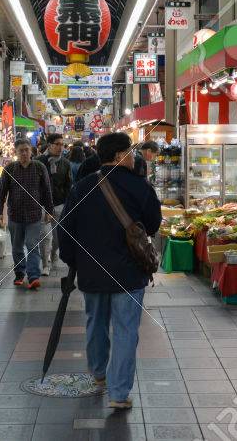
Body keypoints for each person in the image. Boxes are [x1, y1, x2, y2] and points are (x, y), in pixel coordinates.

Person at [59, 132, 162, 409]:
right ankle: (119, 393)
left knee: (96, 322)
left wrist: (73, 261)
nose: (133, 156)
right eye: (130, 151)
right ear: (118, 156)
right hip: (129, 273)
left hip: (91, 272)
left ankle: (98, 374)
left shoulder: (82, 187)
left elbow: (65, 230)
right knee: (126, 330)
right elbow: (153, 224)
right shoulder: (140, 186)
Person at [0, 139, 53, 289]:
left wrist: (49, 210)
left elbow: (47, 190)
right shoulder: (10, 169)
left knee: (32, 244)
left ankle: (33, 276)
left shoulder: (39, 167)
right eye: (21, 150)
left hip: (34, 215)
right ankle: (20, 273)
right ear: (16, 152)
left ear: (31, 151)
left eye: (27, 150)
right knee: (16, 247)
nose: (24, 153)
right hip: (15, 215)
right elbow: (1, 192)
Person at [41, 137, 73, 276]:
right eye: (57, 144)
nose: (61, 147)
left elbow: (69, 184)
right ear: (49, 145)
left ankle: (54, 252)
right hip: (42, 204)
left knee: (57, 237)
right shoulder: (39, 161)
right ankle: (45, 264)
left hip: (59, 203)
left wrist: (67, 202)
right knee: (45, 236)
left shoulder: (65, 163)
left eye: (62, 144)